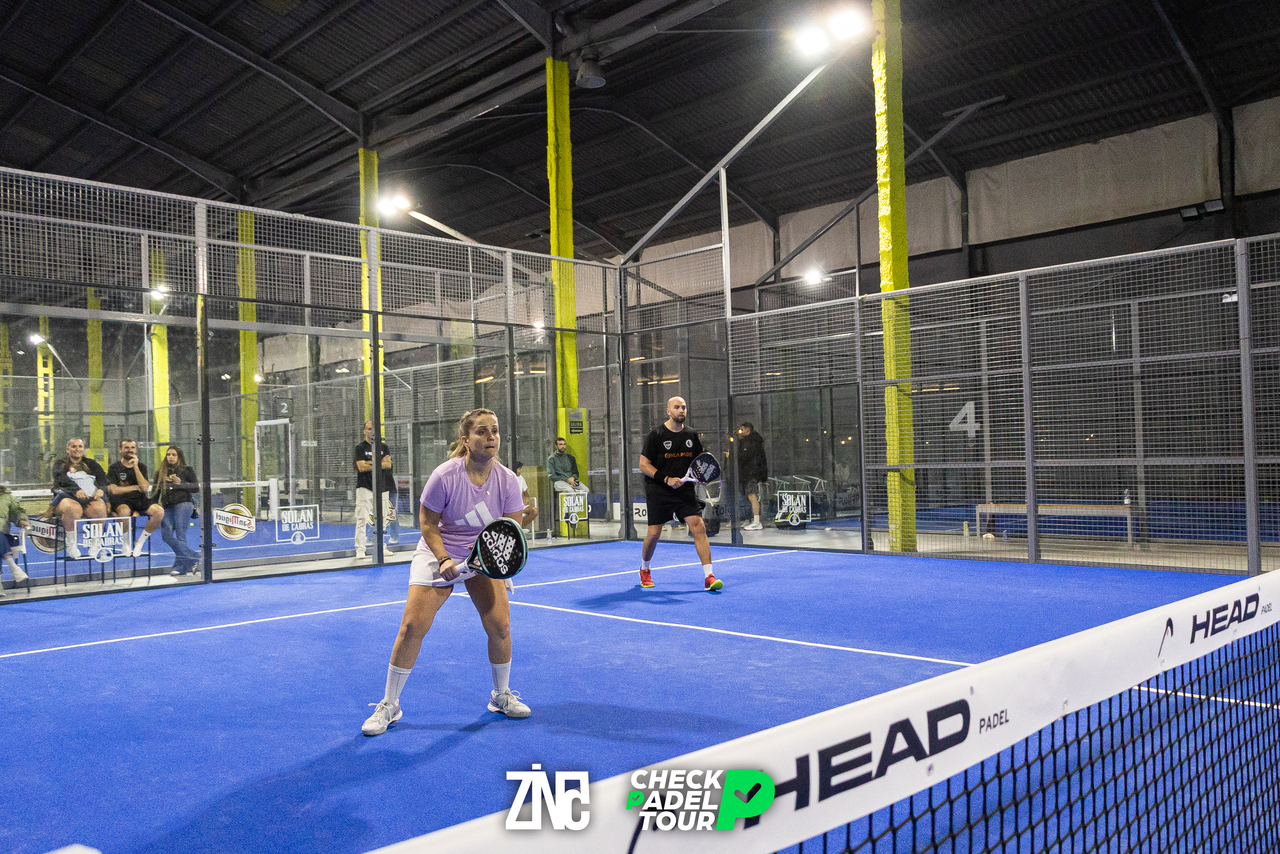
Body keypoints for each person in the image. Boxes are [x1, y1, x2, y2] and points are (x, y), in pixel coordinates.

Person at [361, 408, 530, 737]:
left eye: (495, 430)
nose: (491, 437)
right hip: (438, 550)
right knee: (412, 626)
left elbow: (511, 528)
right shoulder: (445, 475)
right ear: (466, 440)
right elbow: (427, 523)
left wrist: (494, 561)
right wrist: (443, 560)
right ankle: (390, 705)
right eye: (482, 431)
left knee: (501, 626)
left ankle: (500, 696)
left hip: (482, 553)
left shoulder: (508, 480)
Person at [637, 396, 721, 591]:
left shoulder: (691, 435)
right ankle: (645, 568)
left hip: (684, 489)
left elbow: (699, 462)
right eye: (676, 407)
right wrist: (666, 479)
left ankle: (709, 576)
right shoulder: (656, 435)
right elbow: (643, 464)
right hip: (658, 489)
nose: (681, 410)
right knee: (654, 533)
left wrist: (699, 476)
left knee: (698, 526)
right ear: (668, 411)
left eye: (683, 407)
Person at [50, 437, 109, 560]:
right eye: (74, 446)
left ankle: (96, 544)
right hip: (66, 498)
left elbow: (103, 478)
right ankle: (71, 545)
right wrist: (76, 490)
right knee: (73, 509)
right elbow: (61, 478)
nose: (77, 449)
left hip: (88, 499)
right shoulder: (60, 464)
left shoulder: (91, 464)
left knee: (100, 508)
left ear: (84, 449)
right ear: (68, 449)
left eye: (80, 446)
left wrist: (101, 489)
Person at [107, 438, 165, 558]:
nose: (130, 450)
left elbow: (144, 488)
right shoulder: (114, 468)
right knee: (124, 512)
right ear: (120, 450)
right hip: (121, 499)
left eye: (132, 448)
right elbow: (114, 490)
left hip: (139, 499)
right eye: (126, 447)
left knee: (159, 512)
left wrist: (136, 467)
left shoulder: (141, 467)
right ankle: (125, 542)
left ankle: (140, 542)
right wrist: (134, 487)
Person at [353, 420, 398, 560]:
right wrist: (380, 462)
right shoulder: (360, 448)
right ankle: (360, 549)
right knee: (362, 518)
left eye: (374, 429)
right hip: (364, 487)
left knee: (382, 519)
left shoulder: (384, 447)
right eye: (369, 429)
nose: (372, 431)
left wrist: (370, 463)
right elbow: (361, 467)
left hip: (382, 487)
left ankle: (381, 547)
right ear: (364, 431)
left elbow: (388, 465)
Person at [154, 445, 201, 576]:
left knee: (181, 535)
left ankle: (180, 567)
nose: (170, 457)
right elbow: (156, 491)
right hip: (167, 506)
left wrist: (182, 483)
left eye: (174, 455)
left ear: (179, 457)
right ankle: (193, 556)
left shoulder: (187, 470)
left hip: (183, 503)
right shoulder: (160, 472)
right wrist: (153, 506)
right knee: (166, 536)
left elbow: (196, 488)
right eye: (168, 454)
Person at [737, 422, 768, 531]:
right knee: (750, 495)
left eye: (742, 429)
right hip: (751, 473)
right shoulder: (754, 441)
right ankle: (753, 519)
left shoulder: (751, 443)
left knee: (752, 495)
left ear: (747, 429)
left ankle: (756, 521)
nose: (741, 431)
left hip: (752, 473)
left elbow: (746, 457)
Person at [0, 485, 31, 594]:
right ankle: (15, 568)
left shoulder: (7, 497)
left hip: (3, 535)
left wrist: (22, 520)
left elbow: (16, 511)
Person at [513, 461, 538, 533]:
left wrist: (526, 497)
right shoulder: (508, 478)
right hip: (510, 507)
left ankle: (519, 528)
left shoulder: (521, 478)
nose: (520, 471)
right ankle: (515, 529)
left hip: (520, 505)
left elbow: (526, 493)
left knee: (534, 511)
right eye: (519, 469)